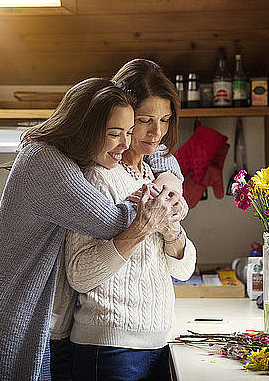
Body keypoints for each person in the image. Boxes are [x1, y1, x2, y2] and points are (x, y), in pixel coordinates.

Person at [0, 77, 186, 381]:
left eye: (128, 132)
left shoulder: (76, 157)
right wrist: (157, 202)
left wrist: (167, 184)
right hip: (20, 322)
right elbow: (110, 221)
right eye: (115, 133)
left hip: (52, 325)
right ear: (86, 128)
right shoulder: (46, 161)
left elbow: (158, 155)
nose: (125, 144)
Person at [64, 59, 196, 381]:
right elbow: (79, 275)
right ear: (121, 116)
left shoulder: (149, 174)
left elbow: (183, 268)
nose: (157, 133)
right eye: (145, 120)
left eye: (164, 120)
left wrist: (170, 229)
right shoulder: (96, 179)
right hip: (108, 347)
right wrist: (142, 228)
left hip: (157, 341)